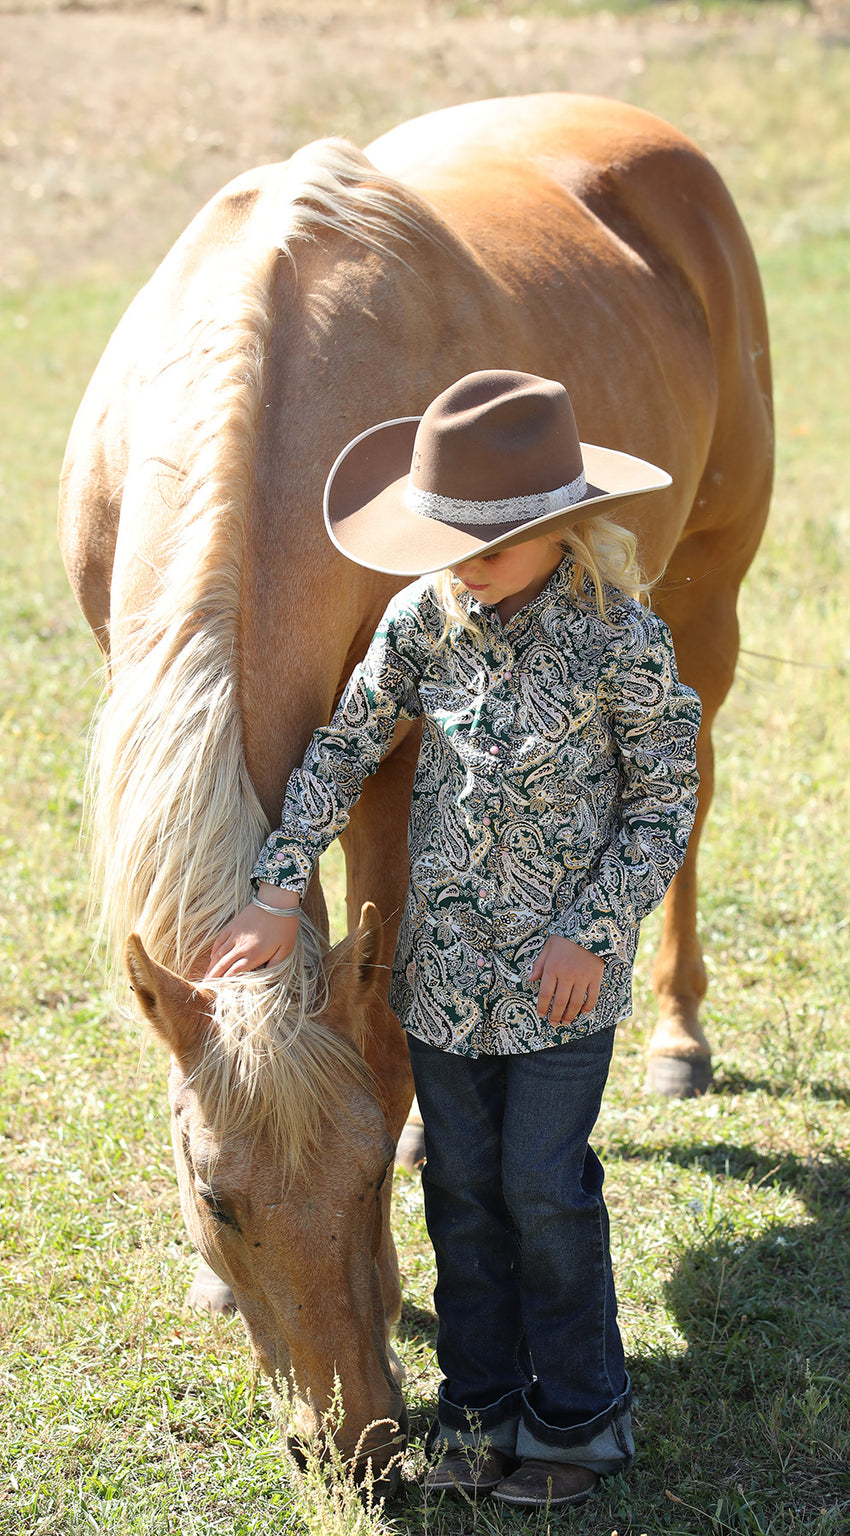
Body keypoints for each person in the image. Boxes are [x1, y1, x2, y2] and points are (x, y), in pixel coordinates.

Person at [208, 369, 701, 1509]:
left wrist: (591, 928)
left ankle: (578, 1421)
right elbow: (344, 747)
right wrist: (280, 886)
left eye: (497, 539)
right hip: (442, 980)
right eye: (452, 537)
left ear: (560, 525)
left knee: (542, 1188)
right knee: (462, 1193)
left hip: (559, 985)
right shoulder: (423, 619)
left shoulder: (619, 640)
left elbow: (664, 795)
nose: (467, 560)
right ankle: (479, 1413)